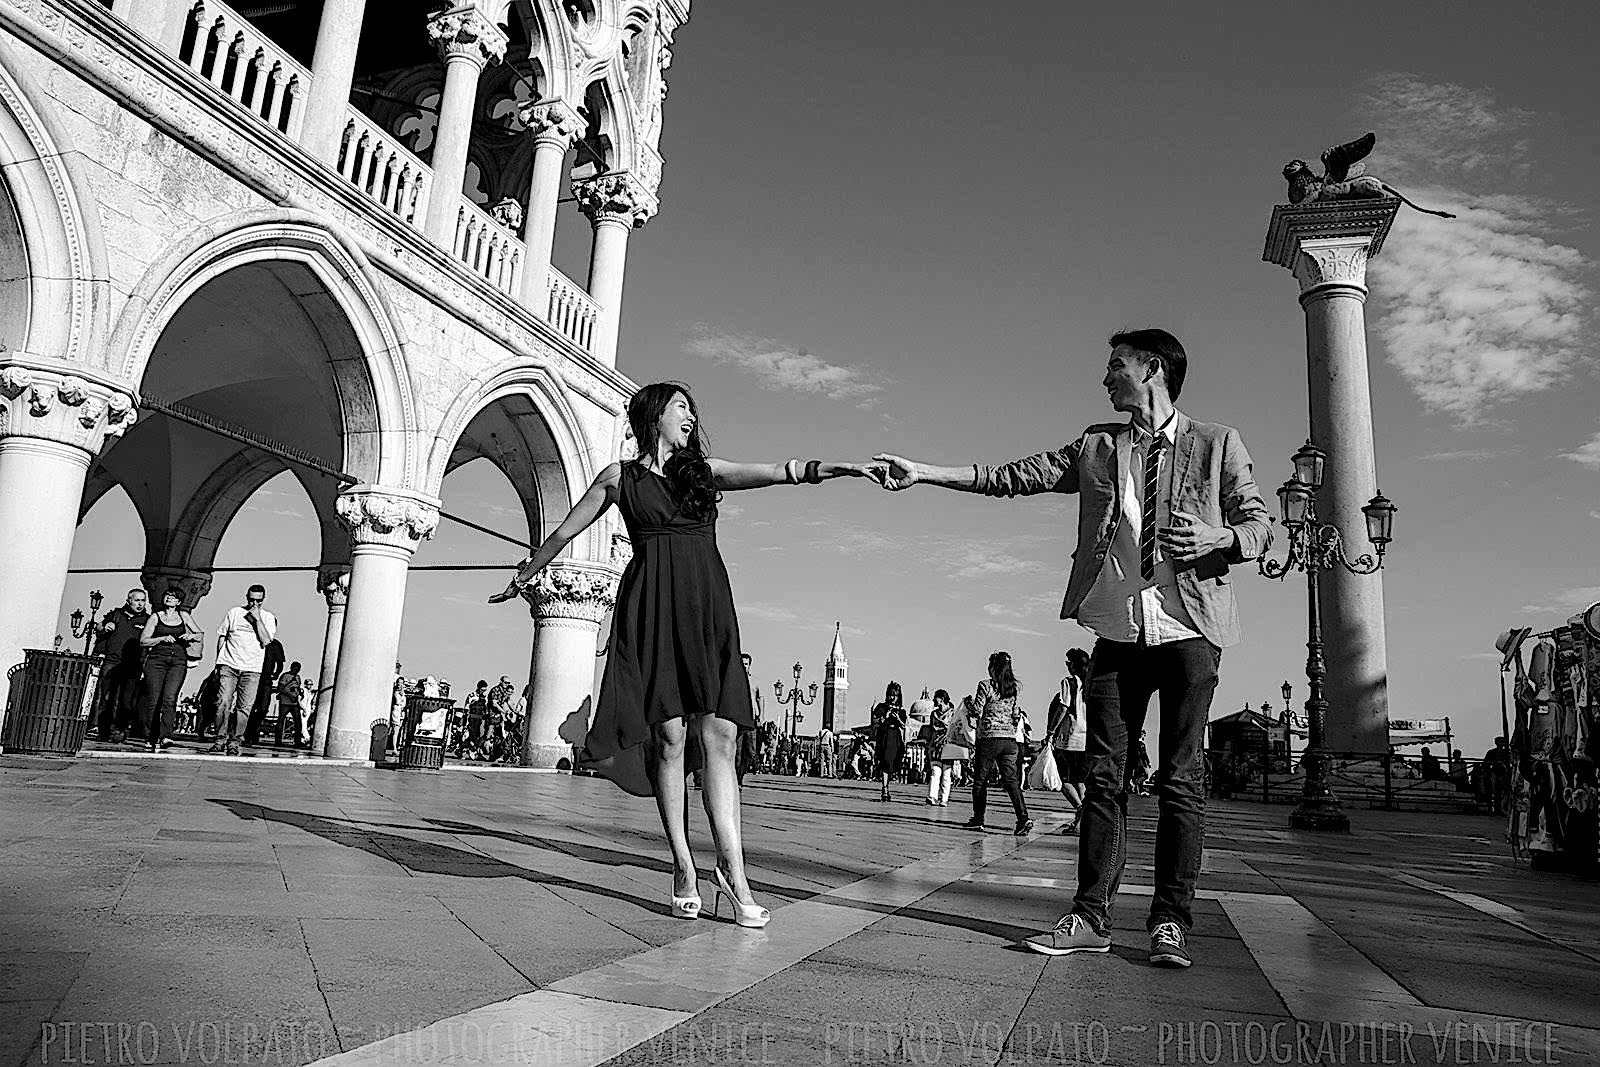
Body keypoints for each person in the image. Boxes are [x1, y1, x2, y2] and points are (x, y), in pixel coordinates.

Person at [875, 327, 1272, 968]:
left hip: (1189, 633)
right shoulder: (1096, 446)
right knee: (1104, 777)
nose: (1104, 377)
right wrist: (923, 473)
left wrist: (1220, 538)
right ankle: (1091, 915)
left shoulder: (1217, 443)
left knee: (1181, 780)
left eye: (1115, 366)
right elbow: (1012, 477)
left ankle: (1170, 922)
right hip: (1117, 632)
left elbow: (1260, 525)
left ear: (1153, 371)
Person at [488, 381, 876, 927]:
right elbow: (565, 531)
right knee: (670, 738)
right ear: (653, 417)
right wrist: (526, 573)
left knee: (721, 734)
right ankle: (683, 865)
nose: (690, 416)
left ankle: (734, 875)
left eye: (694, 408)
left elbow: (779, 471)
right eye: (680, 408)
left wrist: (843, 467)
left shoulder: (704, 474)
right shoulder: (620, 479)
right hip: (653, 609)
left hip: (706, 606)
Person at [963, 652, 1033, 835]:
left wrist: (968, 704)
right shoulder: (1013, 688)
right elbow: (1016, 714)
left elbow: (976, 711)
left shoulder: (985, 685)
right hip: (1010, 741)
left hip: (989, 739)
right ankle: (1023, 818)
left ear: (993, 668)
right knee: (1011, 781)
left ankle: (978, 819)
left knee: (980, 780)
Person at [210, 584, 277, 756]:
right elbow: (222, 636)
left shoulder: (268, 617)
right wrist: (218, 662)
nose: (254, 603)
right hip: (229, 665)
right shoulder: (234, 612)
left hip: (252, 669)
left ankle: (236, 740)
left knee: (244, 707)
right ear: (246, 597)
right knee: (222, 702)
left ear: (263, 600)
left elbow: (266, 640)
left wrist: (257, 619)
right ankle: (220, 737)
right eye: (251, 599)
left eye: (258, 601)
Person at [136, 587, 200, 752]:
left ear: (179, 602)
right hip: (157, 660)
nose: (169, 599)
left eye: (173, 597)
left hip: (178, 661)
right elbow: (144, 640)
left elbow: (199, 634)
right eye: (167, 595)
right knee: (154, 699)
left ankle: (166, 736)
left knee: (170, 698)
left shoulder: (184, 616)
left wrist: (190, 636)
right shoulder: (156, 617)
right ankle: (150, 735)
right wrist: (161, 638)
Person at [92, 588, 149, 743]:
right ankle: (103, 730)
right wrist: (104, 627)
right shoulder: (116, 614)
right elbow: (98, 628)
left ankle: (120, 729)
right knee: (107, 697)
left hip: (133, 665)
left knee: (126, 700)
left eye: (143, 600)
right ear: (128, 600)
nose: (140, 603)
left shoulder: (147, 620)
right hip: (112, 661)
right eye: (137, 600)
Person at [1048, 648, 1091, 832]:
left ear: (1073, 664)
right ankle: (1081, 821)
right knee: (1080, 781)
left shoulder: (1069, 682)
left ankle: (1081, 810)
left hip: (1069, 737)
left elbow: (1063, 707)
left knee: (1063, 779)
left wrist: (1051, 730)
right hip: (1086, 738)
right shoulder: (1091, 683)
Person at [924, 690, 961, 807]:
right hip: (935, 745)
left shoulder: (953, 714)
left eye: (936, 697)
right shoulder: (933, 714)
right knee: (935, 772)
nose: (934, 700)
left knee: (946, 773)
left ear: (942, 698)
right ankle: (932, 796)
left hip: (947, 745)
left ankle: (944, 798)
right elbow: (931, 730)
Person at [872, 682, 908, 802]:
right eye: (891, 695)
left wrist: (897, 717)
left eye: (895, 695)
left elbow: (903, 726)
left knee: (893, 762)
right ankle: (885, 788)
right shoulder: (881, 707)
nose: (892, 698)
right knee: (886, 762)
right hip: (885, 736)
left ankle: (887, 785)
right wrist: (886, 716)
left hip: (895, 737)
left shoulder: (901, 711)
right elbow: (875, 722)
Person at [244, 639, 284, 745]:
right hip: (252, 675)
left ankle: (254, 731)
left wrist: (276, 674)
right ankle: (248, 735)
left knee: (263, 708)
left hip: (266, 678)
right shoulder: (253, 639)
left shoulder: (275, 644)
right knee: (249, 706)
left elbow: (280, 663)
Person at [274, 662, 305, 747]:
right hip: (285, 702)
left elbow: (297, 687)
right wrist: (290, 695)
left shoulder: (298, 677)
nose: (297, 671)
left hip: (295, 703)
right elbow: (280, 688)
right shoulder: (285, 676)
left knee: (298, 722)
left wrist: (299, 693)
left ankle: (297, 742)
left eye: (298, 669)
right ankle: (278, 741)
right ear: (291, 668)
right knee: (281, 720)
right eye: (296, 669)